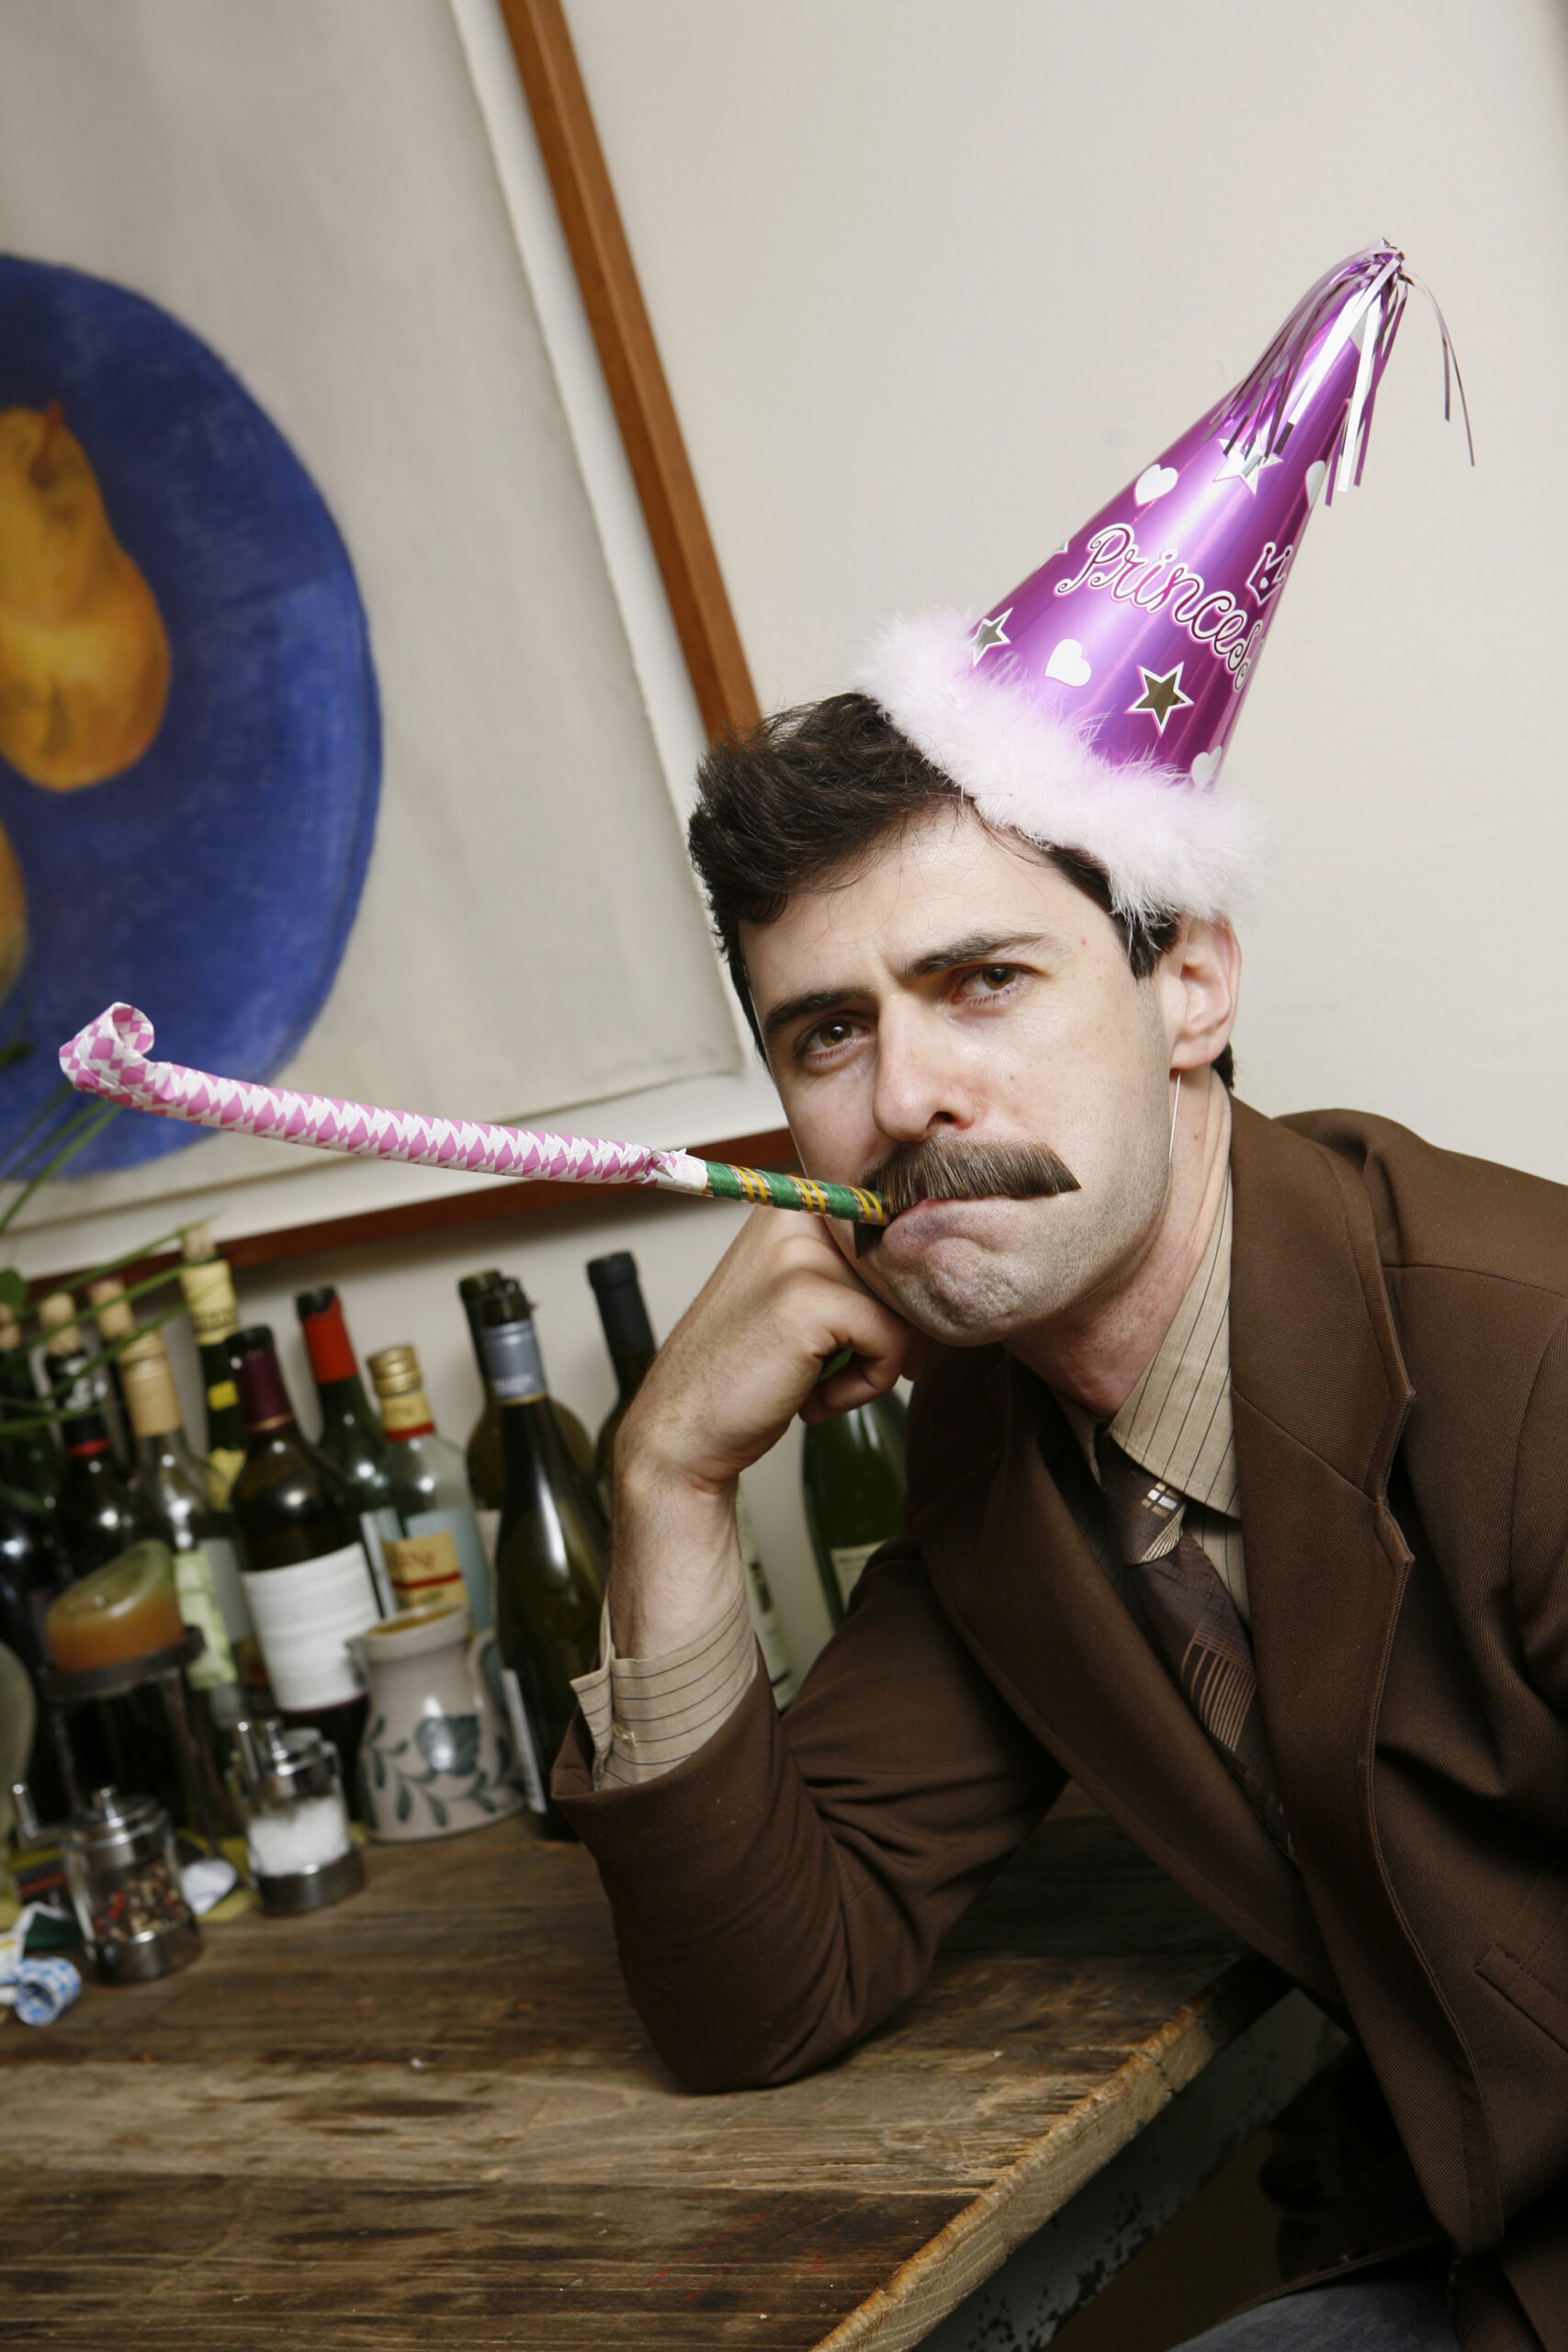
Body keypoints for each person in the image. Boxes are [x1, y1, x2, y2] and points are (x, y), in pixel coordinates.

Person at [554, 251, 1564, 2352]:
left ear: (1185, 981)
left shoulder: (1528, 1356)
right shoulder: (1003, 1454)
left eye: (981, 980)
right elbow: (761, 1992)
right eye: (825, 1031)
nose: (904, 1094)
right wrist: (663, 1473)